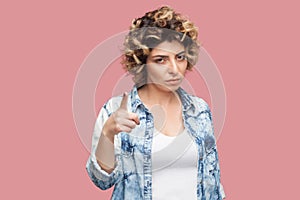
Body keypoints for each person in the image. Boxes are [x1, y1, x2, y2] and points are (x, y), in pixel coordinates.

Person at [86, 6, 225, 200]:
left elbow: (212, 181)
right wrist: (108, 132)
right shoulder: (116, 110)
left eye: (180, 57)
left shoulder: (199, 109)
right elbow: (102, 181)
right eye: (161, 60)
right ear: (142, 63)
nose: (175, 69)